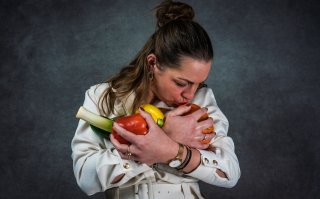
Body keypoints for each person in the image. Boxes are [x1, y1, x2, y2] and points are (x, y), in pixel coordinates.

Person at [71, 0, 240, 198]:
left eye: (198, 83)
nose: (189, 94)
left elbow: (230, 172)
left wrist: (171, 149)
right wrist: (162, 135)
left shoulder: (201, 100)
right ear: (153, 63)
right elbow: (85, 176)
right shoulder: (102, 96)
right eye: (181, 82)